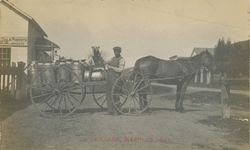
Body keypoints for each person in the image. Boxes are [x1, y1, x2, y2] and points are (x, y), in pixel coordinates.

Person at [105, 46, 125, 115]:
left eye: (117, 51)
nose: (115, 53)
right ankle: (110, 110)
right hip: (109, 79)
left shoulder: (121, 59)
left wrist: (111, 67)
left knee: (115, 95)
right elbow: (106, 62)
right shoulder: (112, 59)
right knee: (108, 94)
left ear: (119, 52)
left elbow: (120, 70)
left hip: (116, 79)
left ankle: (117, 110)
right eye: (114, 51)